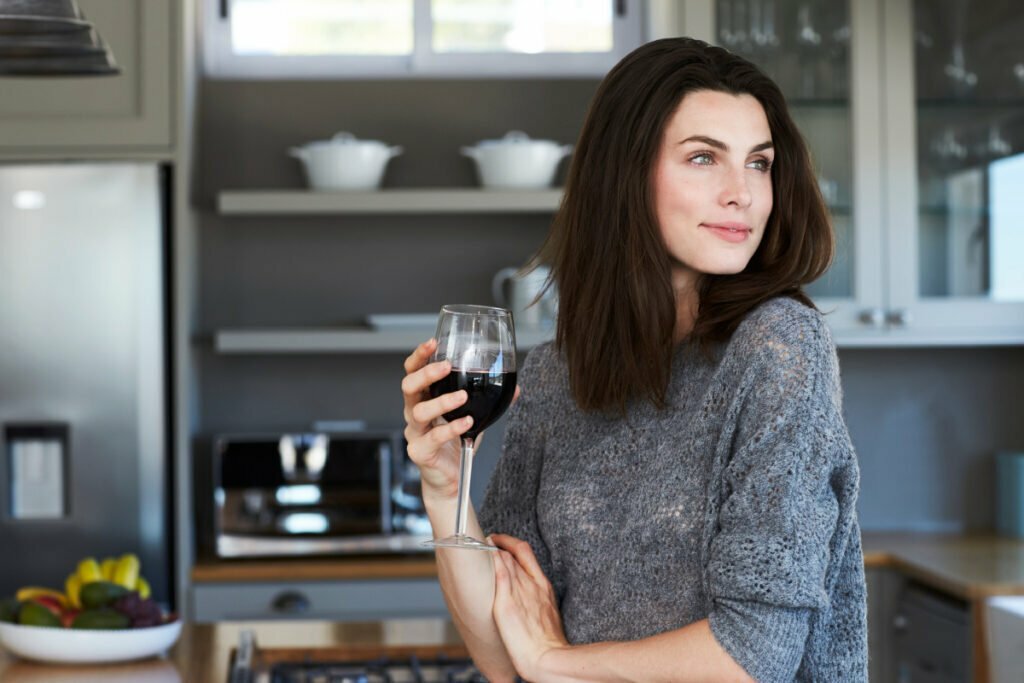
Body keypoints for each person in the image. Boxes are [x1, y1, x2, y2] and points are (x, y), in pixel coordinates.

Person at [401, 36, 867, 682]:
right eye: (704, 157)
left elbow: (754, 656)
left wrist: (552, 662)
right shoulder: (559, 371)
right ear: (627, 173)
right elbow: (504, 651)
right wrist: (444, 487)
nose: (743, 193)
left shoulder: (780, 347)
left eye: (759, 163)